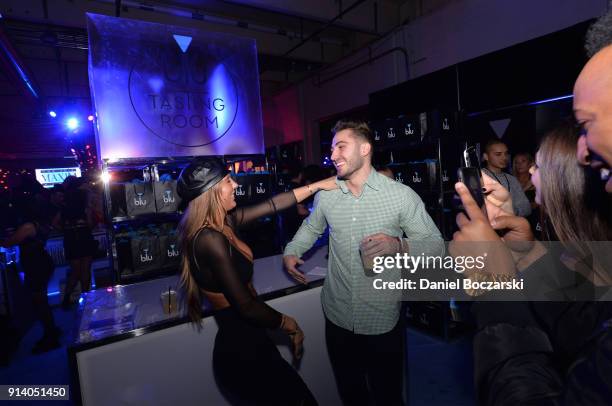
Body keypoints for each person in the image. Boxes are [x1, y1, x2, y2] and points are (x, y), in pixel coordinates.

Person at [283, 120, 443, 406]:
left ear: (365, 148)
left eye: (341, 146)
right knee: (351, 393)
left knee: (387, 395)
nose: (332, 155)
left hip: (381, 317)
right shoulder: (327, 196)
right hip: (337, 315)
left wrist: (399, 245)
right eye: (331, 148)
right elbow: (311, 227)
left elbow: (435, 246)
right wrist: (293, 249)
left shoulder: (400, 196)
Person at [177, 157, 337, 406]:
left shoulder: (224, 222)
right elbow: (246, 306)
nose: (236, 185)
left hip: (254, 341)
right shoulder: (208, 239)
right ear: (211, 191)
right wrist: (289, 324)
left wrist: (317, 186)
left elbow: (272, 204)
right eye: (229, 180)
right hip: (240, 353)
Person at [0, 199, 60, 354]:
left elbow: (9, 243)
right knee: (41, 301)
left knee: (39, 301)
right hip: (40, 261)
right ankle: (51, 330)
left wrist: (6, 237)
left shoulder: (28, 226)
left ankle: (50, 336)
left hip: (36, 264)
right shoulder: (41, 222)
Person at [60, 180, 96, 308]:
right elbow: (90, 224)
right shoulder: (84, 201)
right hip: (83, 234)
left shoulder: (64, 203)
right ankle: (87, 299)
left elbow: (55, 223)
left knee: (75, 271)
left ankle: (66, 298)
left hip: (70, 237)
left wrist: (66, 229)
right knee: (85, 270)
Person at [481, 139, 532, 217]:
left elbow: (526, 208)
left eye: (506, 153)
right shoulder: (479, 177)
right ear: (486, 156)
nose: (504, 157)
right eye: (498, 154)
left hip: (514, 226)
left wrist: (509, 212)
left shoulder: (512, 179)